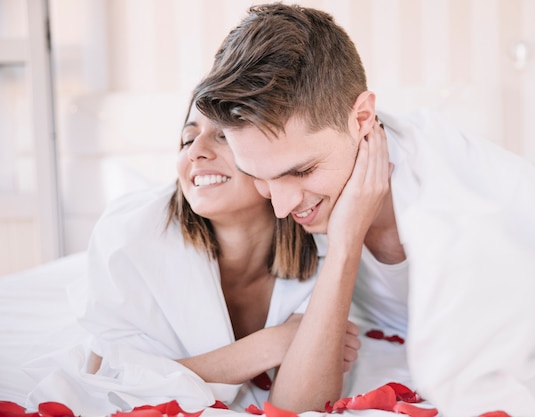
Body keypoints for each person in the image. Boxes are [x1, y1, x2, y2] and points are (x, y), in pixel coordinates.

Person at [193, 3, 535, 417]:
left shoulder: (454, 208)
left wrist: (345, 243)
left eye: (302, 171)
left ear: (363, 118)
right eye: (260, 177)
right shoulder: (285, 187)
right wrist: (344, 246)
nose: (283, 207)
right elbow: (294, 405)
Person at [24, 92, 368, 416]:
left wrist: (346, 247)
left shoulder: (318, 234)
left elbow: (298, 405)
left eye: (224, 136)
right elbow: (107, 381)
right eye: (188, 139)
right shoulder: (132, 234)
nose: (196, 152)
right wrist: (271, 345)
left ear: (272, 159)